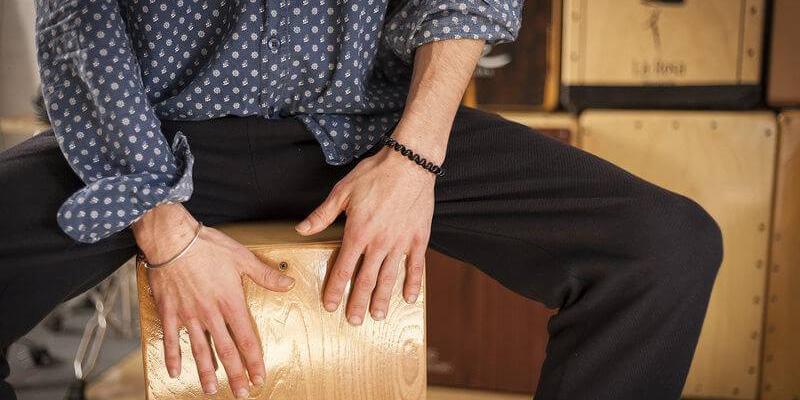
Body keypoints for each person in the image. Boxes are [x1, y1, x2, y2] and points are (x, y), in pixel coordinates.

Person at [0, 0, 723, 399]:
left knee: (663, 248)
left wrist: (415, 157)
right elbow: (80, 21)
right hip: (154, 134)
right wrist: (161, 226)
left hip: (372, 131)